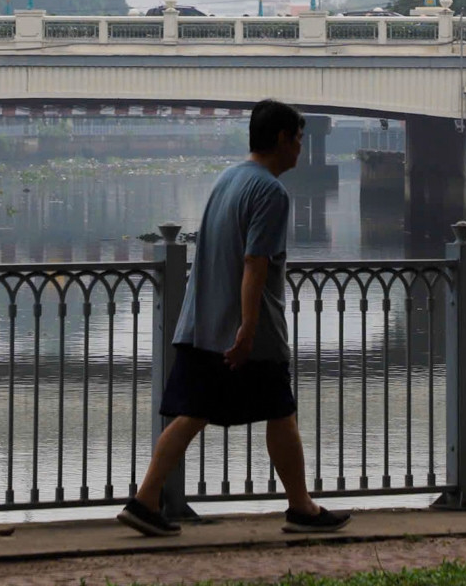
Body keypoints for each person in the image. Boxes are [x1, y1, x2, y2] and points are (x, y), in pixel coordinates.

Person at [118, 98, 349, 537]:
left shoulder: (229, 178)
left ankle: (145, 500)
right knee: (279, 411)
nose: (301, 148)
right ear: (282, 139)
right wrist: (247, 329)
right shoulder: (271, 192)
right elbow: (255, 262)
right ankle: (301, 509)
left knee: (194, 413)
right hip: (246, 333)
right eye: (299, 139)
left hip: (202, 323)